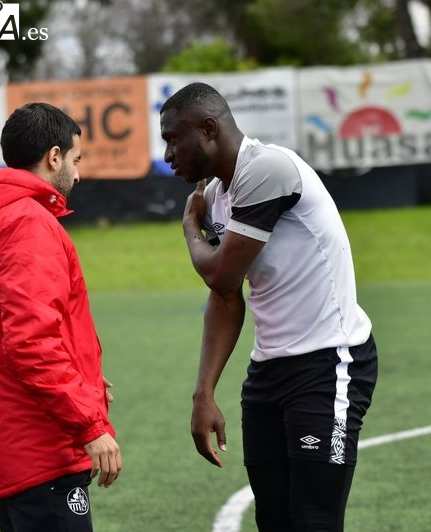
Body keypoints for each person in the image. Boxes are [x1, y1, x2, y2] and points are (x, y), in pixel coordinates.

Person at [160, 82, 378, 532]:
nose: (167, 154)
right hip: (268, 374)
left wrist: (190, 230)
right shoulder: (220, 196)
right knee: (274, 519)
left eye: (172, 138)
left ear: (207, 129)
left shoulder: (268, 169)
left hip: (328, 364)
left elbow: (220, 275)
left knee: (314, 518)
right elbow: (224, 297)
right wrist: (204, 394)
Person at [0, 102, 122, 532]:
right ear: (54, 157)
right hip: (41, 446)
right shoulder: (27, 222)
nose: (78, 175)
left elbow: (16, 331)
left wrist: (84, 377)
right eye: (76, 160)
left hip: (15, 438)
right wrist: (90, 423)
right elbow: (32, 344)